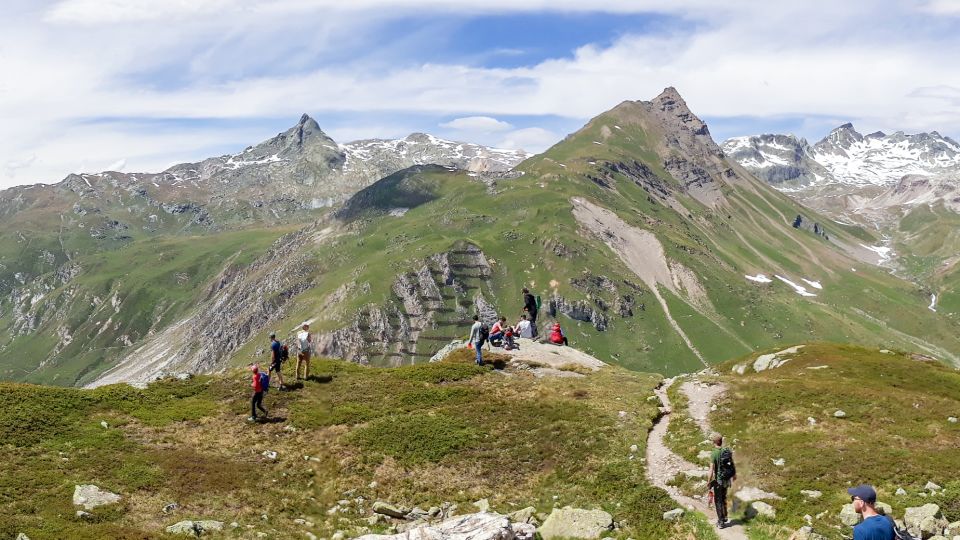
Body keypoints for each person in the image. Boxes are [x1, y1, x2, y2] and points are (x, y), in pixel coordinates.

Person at [708, 432, 736, 529]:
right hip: (726, 479)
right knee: (723, 497)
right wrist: (733, 475)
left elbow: (711, 469)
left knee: (718, 500)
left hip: (719, 480)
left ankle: (721, 522)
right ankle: (724, 517)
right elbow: (731, 464)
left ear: (715, 441)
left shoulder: (714, 453)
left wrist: (708, 481)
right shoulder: (726, 450)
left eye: (712, 440)